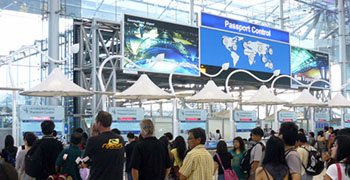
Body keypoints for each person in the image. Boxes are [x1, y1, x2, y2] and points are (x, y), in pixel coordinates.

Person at [83, 111, 125, 180]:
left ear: (99, 123)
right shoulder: (120, 139)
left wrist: (93, 135)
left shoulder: (93, 140)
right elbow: (107, 153)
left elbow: (85, 161)